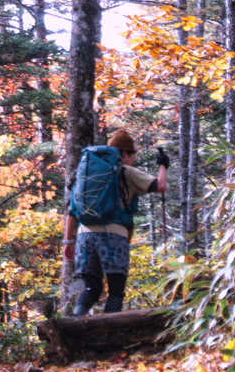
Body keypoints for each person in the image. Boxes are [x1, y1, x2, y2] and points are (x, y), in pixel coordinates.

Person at [63, 129, 169, 316]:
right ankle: (111, 330)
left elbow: (72, 210)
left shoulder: (86, 175)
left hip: (84, 238)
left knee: (90, 289)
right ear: (124, 153)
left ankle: (76, 322)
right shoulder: (125, 171)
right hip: (114, 237)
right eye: (132, 156)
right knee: (115, 291)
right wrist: (163, 166)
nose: (133, 160)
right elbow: (160, 186)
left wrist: (68, 242)